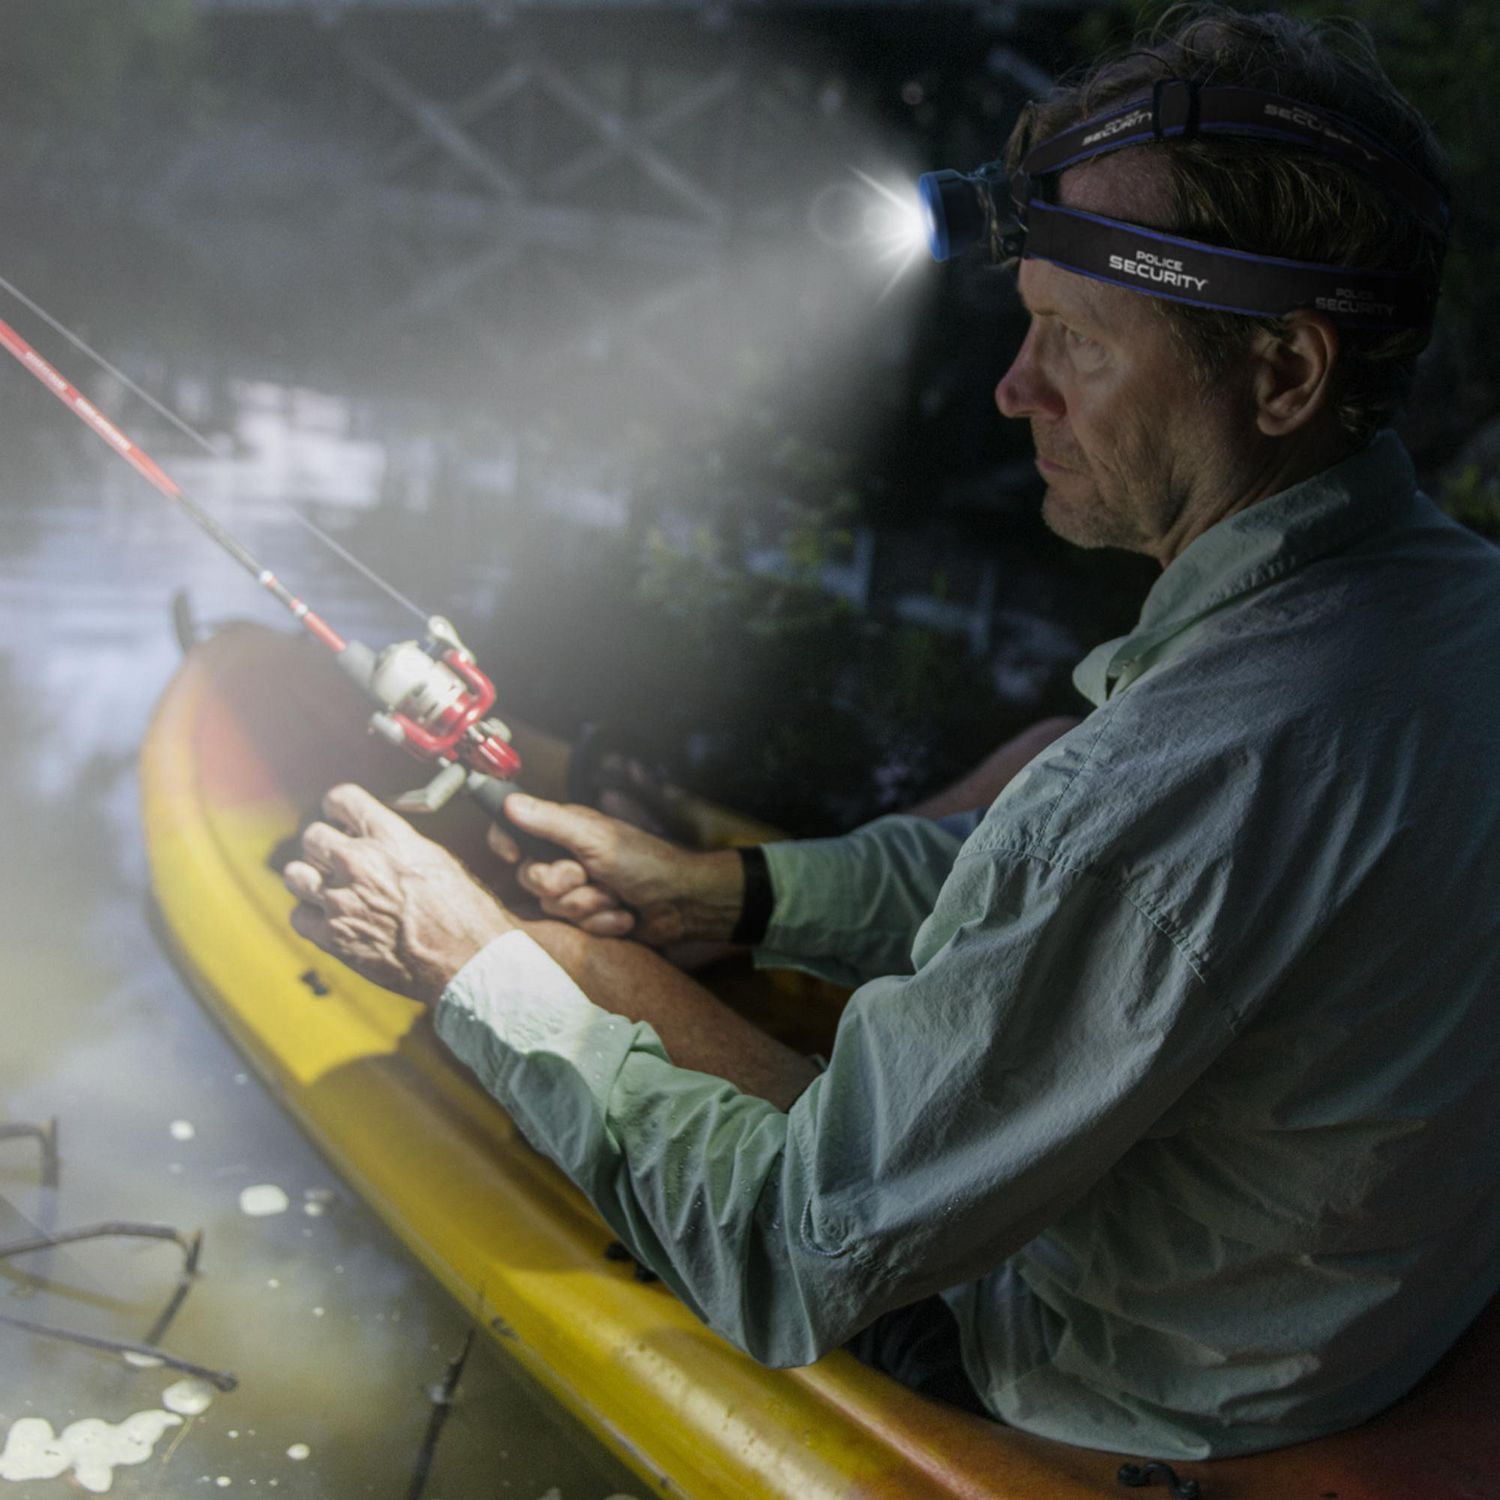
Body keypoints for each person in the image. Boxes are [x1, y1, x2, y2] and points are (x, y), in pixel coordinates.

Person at [280, 6, 1500, 1461]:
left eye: (1074, 344)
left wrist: (468, 957)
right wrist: (741, 895)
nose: (1013, 389)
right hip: (1343, 1300)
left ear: (1284, 377)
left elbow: (796, 1250)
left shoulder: (1179, 784)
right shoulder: (1451, 604)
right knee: (1018, 768)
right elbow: (1077, 877)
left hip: (1109, 1367)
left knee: (559, 973)